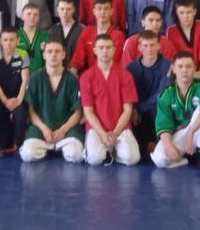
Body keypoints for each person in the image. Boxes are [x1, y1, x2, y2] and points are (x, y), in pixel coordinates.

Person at [151, 51, 200, 170]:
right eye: (180, 66)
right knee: (159, 159)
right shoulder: (166, 94)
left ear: (194, 68)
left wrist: (191, 132)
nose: (184, 70)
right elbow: (164, 124)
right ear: (173, 69)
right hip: (181, 133)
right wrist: (169, 146)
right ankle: (183, 159)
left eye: (188, 66)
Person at [19, 38, 85, 163]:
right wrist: (44, 129)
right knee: (28, 155)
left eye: (57, 51)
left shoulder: (72, 79)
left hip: (67, 129)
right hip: (42, 128)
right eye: (49, 51)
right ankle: (50, 147)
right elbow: (31, 110)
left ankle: (55, 147)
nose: (53, 55)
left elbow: (78, 111)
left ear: (63, 55)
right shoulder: (35, 78)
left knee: (76, 155)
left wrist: (63, 129)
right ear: (44, 55)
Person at [80, 32, 140, 166]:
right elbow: (88, 111)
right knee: (94, 159)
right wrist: (102, 133)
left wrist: (115, 133)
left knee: (132, 158)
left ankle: (113, 152)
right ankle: (104, 150)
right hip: (96, 128)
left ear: (114, 50)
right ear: (94, 50)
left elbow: (128, 109)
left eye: (108, 47)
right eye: (101, 48)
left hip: (121, 127)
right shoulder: (87, 77)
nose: (105, 51)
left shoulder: (125, 75)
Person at [0, 26, 30, 156]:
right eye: (5, 40)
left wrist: (18, 100)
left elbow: (25, 80)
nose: (9, 43)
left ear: (18, 41)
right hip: (0, 96)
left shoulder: (23, 54)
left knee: (21, 113)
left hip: (17, 96)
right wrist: (6, 101)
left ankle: (20, 144)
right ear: (0, 41)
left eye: (12, 40)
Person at [128, 30, 172, 153]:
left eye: (152, 45)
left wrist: (139, 109)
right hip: (138, 113)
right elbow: (128, 94)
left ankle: (158, 143)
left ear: (158, 46)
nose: (149, 49)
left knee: (160, 106)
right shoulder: (131, 68)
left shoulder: (168, 65)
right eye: (145, 45)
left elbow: (162, 94)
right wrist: (133, 109)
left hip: (158, 110)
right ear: (139, 48)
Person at [71, 0, 126, 74]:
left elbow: (115, 61)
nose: (102, 12)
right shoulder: (87, 31)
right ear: (94, 11)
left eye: (106, 9)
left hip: (110, 74)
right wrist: (73, 71)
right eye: (99, 9)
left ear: (111, 12)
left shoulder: (118, 35)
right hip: (89, 75)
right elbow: (78, 57)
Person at [165, 0, 200, 79]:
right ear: (177, 12)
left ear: (194, 12)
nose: (185, 16)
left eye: (188, 12)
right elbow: (173, 59)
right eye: (182, 13)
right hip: (180, 75)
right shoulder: (170, 31)